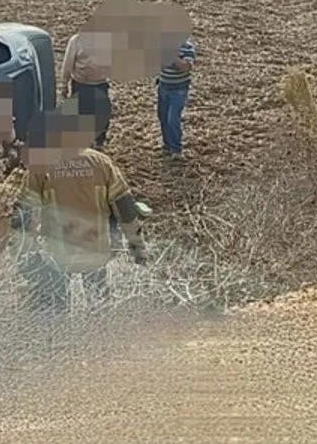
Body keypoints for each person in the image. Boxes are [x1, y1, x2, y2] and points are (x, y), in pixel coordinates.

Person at [14, 112, 150, 315]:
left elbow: (25, 214)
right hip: (95, 251)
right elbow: (125, 207)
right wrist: (137, 246)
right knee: (100, 309)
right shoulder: (101, 163)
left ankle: (60, 342)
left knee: (55, 313)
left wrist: (23, 254)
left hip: (57, 255)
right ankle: (101, 340)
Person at [59, 30, 113, 148]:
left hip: (100, 84)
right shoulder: (76, 41)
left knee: (102, 115)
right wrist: (64, 84)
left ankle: (99, 143)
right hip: (80, 85)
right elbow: (67, 64)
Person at [157, 37, 196, 161]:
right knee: (162, 116)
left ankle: (176, 149)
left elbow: (186, 67)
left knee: (172, 118)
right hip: (163, 86)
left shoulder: (187, 47)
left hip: (178, 89)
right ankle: (167, 145)